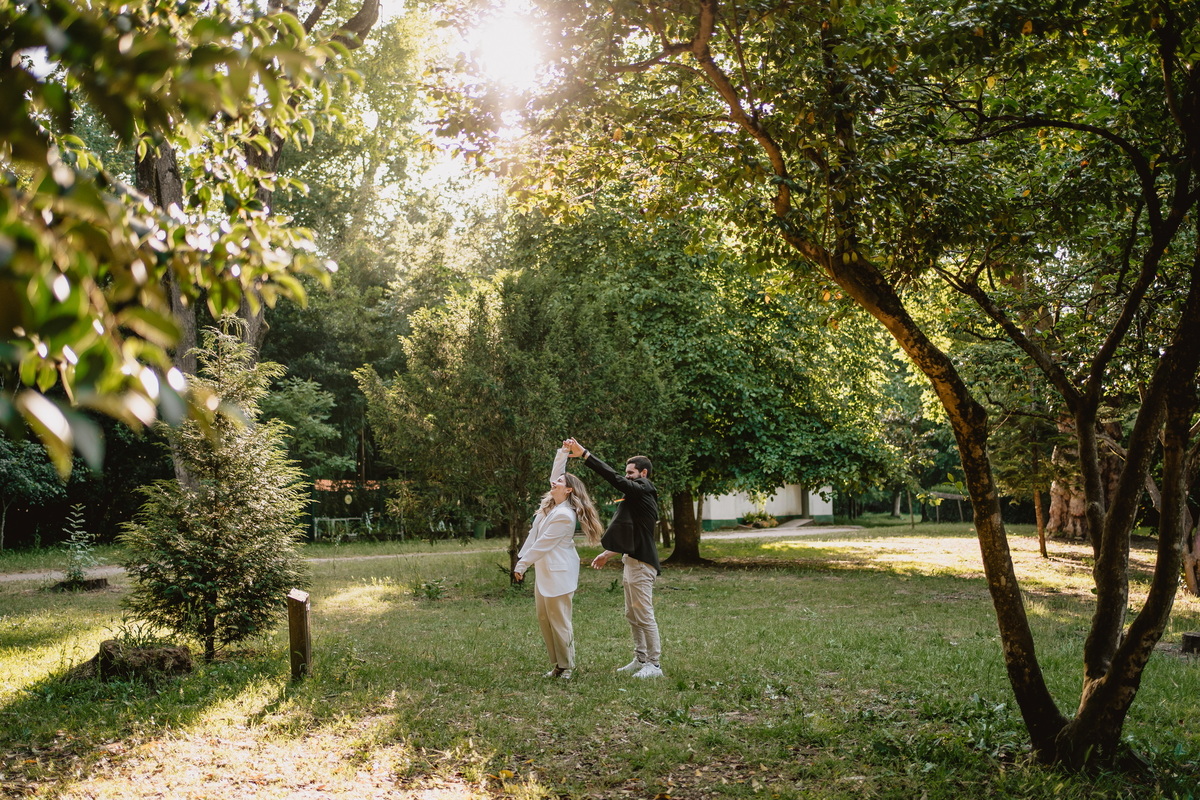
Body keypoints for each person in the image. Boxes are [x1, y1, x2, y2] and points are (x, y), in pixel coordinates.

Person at [564, 438, 663, 679]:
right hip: (631, 561)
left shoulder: (644, 488)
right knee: (632, 614)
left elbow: (614, 479)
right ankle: (641, 659)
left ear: (643, 473)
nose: (627, 477)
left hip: (642, 564)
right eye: (626, 473)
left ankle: (654, 665)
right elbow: (633, 533)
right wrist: (608, 553)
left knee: (644, 615)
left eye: (631, 473)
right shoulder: (637, 498)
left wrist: (586, 455)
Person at [513, 446, 603, 680]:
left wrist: (522, 564)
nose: (554, 483)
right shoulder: (553, 506)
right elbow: (556, 476)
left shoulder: (564, 515)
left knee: (560, 621)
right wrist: (562, 453)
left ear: (569, 489)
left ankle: (567, 667)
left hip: (559, 575)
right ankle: (558, 665)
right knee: (545, 620)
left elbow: (543, 544)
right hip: (546, 573)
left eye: (560, 482)